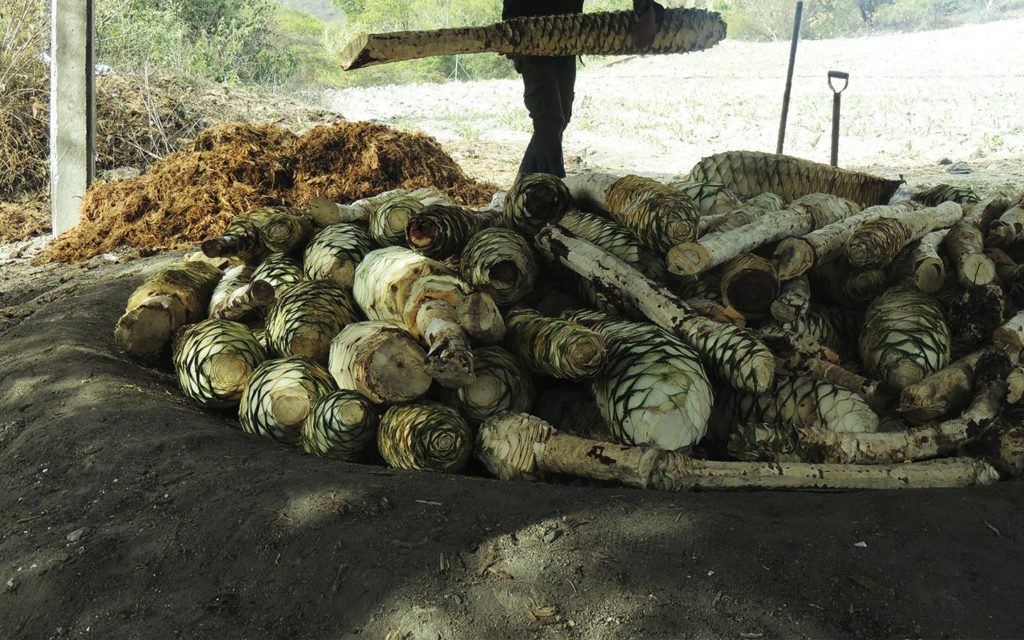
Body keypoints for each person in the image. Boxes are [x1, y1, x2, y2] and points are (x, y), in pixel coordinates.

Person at [503, 0, 664, 178]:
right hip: (528, 33)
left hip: (567, 34)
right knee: (549, 118)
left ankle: (525, 185)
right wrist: (510, 30)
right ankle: (556, 188)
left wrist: (646, 9)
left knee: (561, 116)